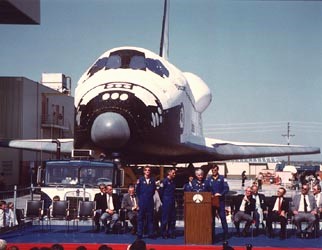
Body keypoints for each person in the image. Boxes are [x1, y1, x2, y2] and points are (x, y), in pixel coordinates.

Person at [205, 164, 229, 240]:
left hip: (220, 201)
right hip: (211, 201)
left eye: (215, 170)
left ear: (217, 170)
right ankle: (212, 234)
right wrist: (210, 195)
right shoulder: (208, 179)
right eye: (212, 170)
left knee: (222, 217)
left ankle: (225, 234)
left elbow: (226, 188)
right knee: (211, 219)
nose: (214, 171)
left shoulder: (222, 178)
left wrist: (221, 194)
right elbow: (206, 189)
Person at [136, 166, 156, 239]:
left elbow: (153, 191)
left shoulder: (153, 180)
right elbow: (137, 191)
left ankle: (150, 234)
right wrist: (141, 199)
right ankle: (139, 234)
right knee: (140, 218)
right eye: (146, 170)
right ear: (144, 171)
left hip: (150, 202)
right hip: (142, 202)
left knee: (150, 219)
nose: (147, 171)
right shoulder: (140, 180)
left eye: (149, 170)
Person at [159, 168, 176, 239]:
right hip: (166, 202)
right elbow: (161, 192)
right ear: (169, 173)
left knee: (172, 219)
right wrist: (163, 200)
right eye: (173, 173)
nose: (174, 174)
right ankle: (163, 233)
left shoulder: (173, 182)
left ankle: (170, 232)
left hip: (172, 201)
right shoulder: (164, 181)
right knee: (165, 218)